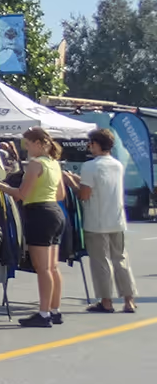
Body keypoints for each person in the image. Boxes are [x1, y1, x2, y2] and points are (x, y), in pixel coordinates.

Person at [0, 126, 67, 327]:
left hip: (39, 214)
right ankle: (54, 310)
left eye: (28, 144)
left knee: (43, 268)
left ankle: (44, 314)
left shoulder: (35, 164)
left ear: (38, 143)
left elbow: (21, 194)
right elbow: (61, 194)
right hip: (55, 212)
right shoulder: (53, 163)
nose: (26, 149)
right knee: (53, 267)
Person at [64, 128, 137, 314]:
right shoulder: (117, 165)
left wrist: (71, 182)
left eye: (90, 143)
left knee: (101, 261)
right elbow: (101, 185)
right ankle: (129, 299)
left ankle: (106, 301)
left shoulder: (90, 166)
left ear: (96, 144)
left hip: (97, 221)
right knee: (121, 259)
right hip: (117, 218)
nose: (89, 147)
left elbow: (85, 194)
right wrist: (78, 180)